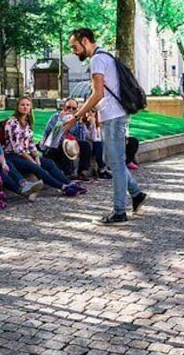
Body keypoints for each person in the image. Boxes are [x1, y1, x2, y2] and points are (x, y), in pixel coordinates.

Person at [66, 28, 146, 224]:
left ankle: (119, 211)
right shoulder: (106, 56)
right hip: (115, 115)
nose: (74, 52)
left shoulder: (97, 60)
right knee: (111, 160)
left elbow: (98, 93)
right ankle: (136, 194)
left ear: (85, 41)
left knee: (116, 163)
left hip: (114, 116)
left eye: (75, 47)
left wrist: (76, 116)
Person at [2, 96, 87, 196]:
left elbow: (31, 143)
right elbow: (17, 148)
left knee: (49, 163)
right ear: (18, 107)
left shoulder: (27, 123)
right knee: (36, 167)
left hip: (25, 155)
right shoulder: (13, 122)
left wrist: (36, 156)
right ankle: (63, 187)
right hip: (12, 156)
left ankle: (69, 182)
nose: (25, 107)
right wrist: (33, 161)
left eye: (28, 105)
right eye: (22, 105)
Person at [0, 97, 42, 199]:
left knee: (5, 164)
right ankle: (23, 189)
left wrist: (2, 161)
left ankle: (24, 187)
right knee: (0, 168)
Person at [40, 98, 93, 181]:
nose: (70, 110)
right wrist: (61, 121)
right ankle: (68, 173)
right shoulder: (55, 118)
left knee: (85, 145)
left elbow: (81, 138)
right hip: (53, 145)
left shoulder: (76, 120)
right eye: (68, 107)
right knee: (66, 144)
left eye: (74, 108)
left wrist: (81, 123)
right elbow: (50, 136)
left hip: (69, 144)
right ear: (64, 107)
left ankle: (82, 171)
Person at [80, 109, 112, 179]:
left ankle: (102, 168)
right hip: (86, 143)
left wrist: (93, 125)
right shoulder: (82, 124)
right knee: (98, 144)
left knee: (99, 143)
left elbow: (96, 138)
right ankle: (101, 169)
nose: (90, 113)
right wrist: (92, 125)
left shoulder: (97, 124)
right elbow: (86, 136)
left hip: (94, 144)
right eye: (88, 111)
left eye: (93, 112)